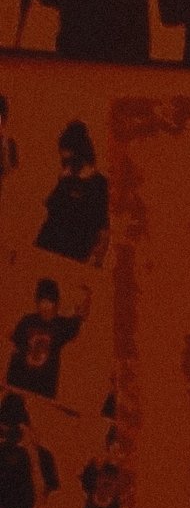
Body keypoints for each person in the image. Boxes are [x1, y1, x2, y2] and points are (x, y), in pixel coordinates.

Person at [34, 120, 109, 265]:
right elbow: (51, 211)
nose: (66, 165)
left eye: (70, 160)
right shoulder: (66, 180)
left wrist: (96, 262)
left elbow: (102, 228)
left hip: (72, 257)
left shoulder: (98, 184)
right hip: (48, 251)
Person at [6, 277, 88, 402]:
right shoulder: (27, 321)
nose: (46, 307)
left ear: (55, 304)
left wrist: (86, 298)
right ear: (37, 303)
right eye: (43, 302)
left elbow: (79, 318)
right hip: (20, 384)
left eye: (50, 303)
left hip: (44, 387)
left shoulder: (60, 325)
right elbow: (16, 349)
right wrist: (10, 381)